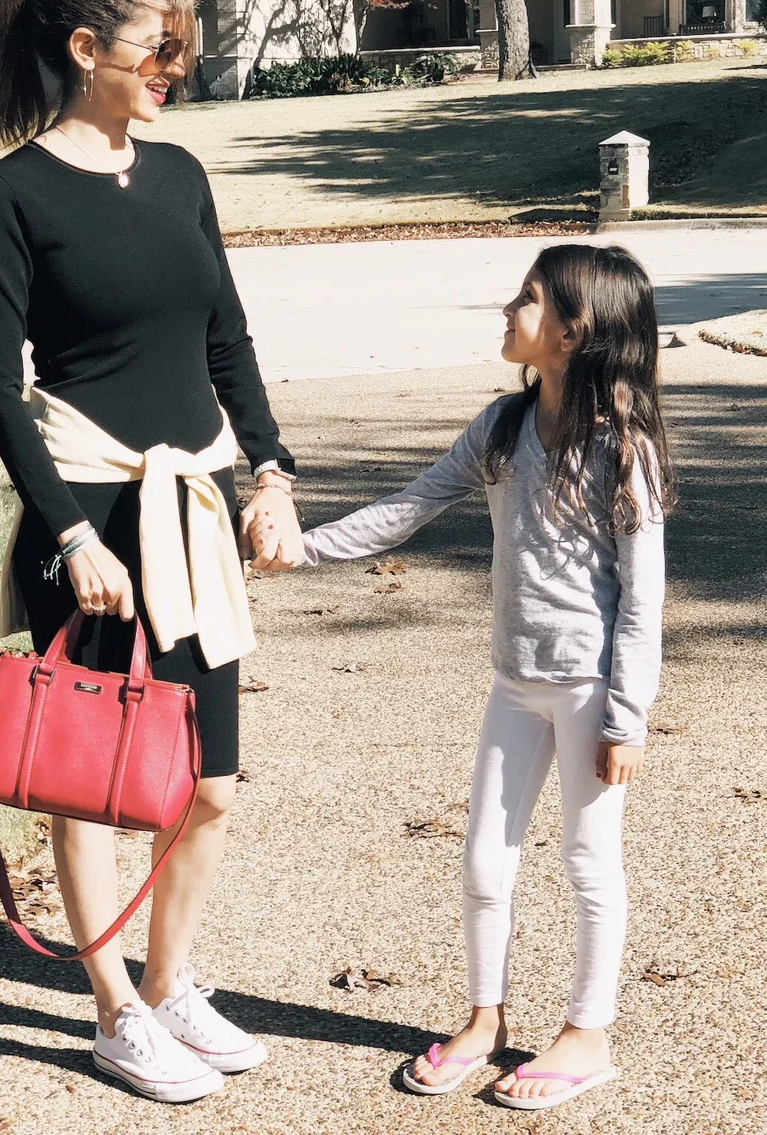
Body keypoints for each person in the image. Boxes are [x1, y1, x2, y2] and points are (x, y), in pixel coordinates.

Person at [0, 0, 303, 1104]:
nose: (177, 69)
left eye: (182, 47)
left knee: (206, 782)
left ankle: (167, 985)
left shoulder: (181, 176)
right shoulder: (9, 193)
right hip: (90, 517)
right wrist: (68, 534)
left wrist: (269, 472)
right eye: (160, 48)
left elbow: (226, 338)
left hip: (189, 508)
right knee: (96, 781)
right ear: (83, 47)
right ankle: (114, 1013)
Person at [289, 242, 674, 1111]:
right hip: (515, 681)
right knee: (483, 860)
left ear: (573, 331)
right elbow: (411, 504)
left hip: (589, 690)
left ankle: (588, 1035)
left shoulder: (625, 449)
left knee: (588, 862)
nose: (508, 311)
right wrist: (301, 550)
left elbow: (643, 598)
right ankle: (484, 1020)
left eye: (527, 299)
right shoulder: (503, 426)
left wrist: (628, 716)